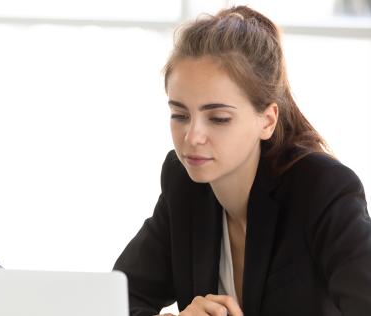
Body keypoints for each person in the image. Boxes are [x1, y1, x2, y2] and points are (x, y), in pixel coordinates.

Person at [114, 6, 371, 316]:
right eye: (180, 115)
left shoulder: (321, 189)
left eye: (219, 118)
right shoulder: (183, 182)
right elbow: (117, 299)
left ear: (267, 120)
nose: (192, 137)